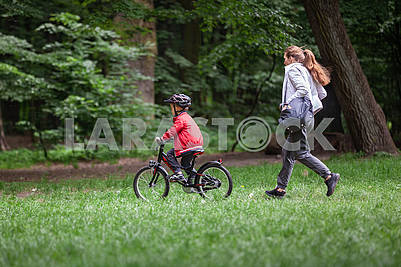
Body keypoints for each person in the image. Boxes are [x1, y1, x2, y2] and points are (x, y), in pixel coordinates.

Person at [265, 46, 340, 198]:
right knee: (288, 152)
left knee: (301, 153)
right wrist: (310, 111)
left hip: (299, 118)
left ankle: (329, 176)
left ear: (292, 58)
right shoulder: (307, 70)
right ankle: (280, 189)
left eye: (285, 58)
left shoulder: (293, 69)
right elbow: (322, 93)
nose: (284, 61)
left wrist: (287, 104)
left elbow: (303, 90)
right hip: (305, 117)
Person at [158, 93, 203, 183]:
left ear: (178, 107)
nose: (171, 109)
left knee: (170, 154)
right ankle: (194, 178)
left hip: (189, 144)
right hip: (196, 144)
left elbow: (173, 130)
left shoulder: (181, 118)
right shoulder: (187, 117)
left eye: (172, 107)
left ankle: (178, 174)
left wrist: (163, 138)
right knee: (185, 164)